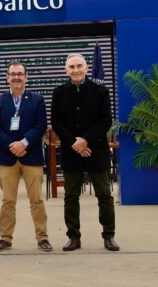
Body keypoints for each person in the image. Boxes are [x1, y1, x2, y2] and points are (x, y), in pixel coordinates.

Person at [51, 53, 119, 252]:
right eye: (71, 67)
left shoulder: (101, 91)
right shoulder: (58, 93)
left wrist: (85, 140)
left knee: (104, 195)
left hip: (96, 151)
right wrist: (75, 142)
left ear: (86, 68)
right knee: (71, 197)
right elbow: (56, 122)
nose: (76, 70)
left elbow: (106, 120)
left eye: (79, 66)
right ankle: (73, 237)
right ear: (66, 70)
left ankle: (109, 235)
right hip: (72, 152)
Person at [0, 62, 52, 252]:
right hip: (6, 157)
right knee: (8, 201)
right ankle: (5, 238)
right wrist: (12, 145)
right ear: (7, 77)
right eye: (12, 74)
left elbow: (41, 126)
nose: (16, 77)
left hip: (31, 155)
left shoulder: (37, 100)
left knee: (36, 200)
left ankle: (42, 237)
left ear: (26, 77)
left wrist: (23, 143)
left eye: (20, 74)